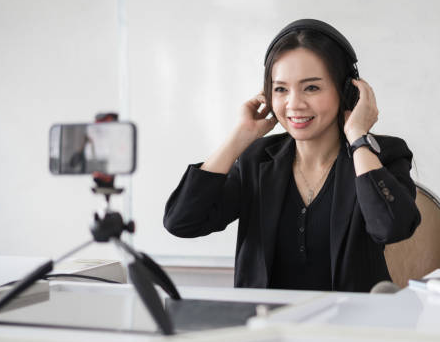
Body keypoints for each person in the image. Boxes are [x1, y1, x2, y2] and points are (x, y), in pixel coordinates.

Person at [164, 19, 420, 292]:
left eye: (312, 87)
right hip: (268, 325)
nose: (294, 104)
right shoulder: (258, 159)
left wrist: (358, 139)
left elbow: (392, 228)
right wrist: (240, 137)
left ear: (346, 91)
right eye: (281, 89)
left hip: (350, 326)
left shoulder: (382, 154)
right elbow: (182, 221)